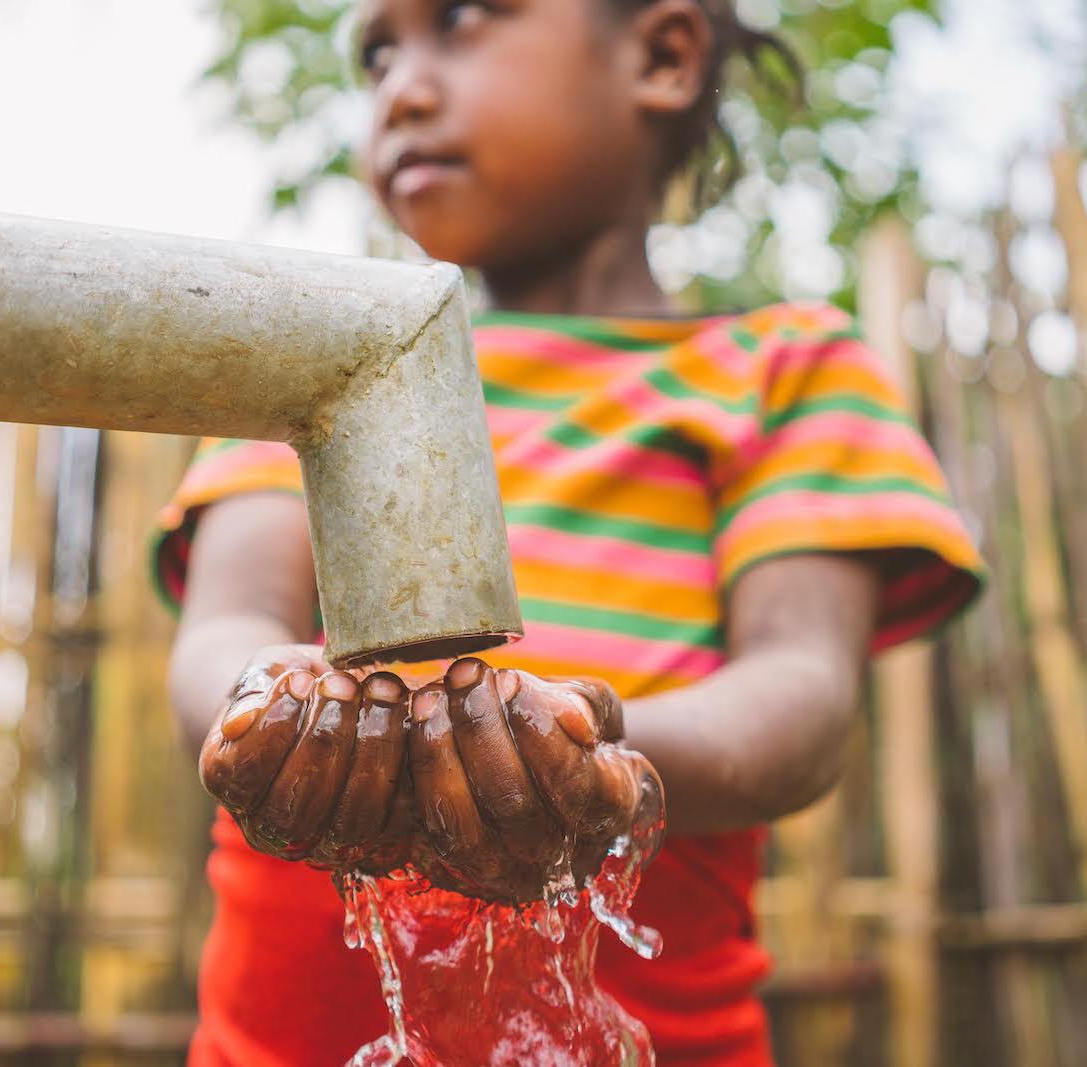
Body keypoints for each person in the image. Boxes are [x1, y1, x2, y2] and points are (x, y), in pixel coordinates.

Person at [153, 0, 984, 1059]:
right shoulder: (310, 366)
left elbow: (802, 696)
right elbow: (219, 636)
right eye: (378, 51)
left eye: (460, 19)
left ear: (661, 56)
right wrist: (274, 709)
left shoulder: (779, 369)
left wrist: (591, 755)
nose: (400, 87)